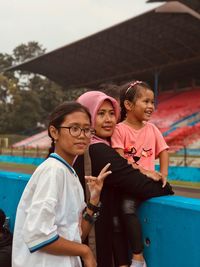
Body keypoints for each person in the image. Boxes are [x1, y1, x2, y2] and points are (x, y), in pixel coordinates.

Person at [74, 91, 173, 267]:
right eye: (100, 113)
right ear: (86, 118)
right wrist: (163, 184)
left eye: (112, 113)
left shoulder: (91, 146)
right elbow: (142, 186)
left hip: (97, 237)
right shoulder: (98, 150)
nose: (109, 119)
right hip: (95, 241)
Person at [12, 101, 111, 267]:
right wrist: (85, 251)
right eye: (74, 128)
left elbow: (76, 236)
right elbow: (39, 235)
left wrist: (93, 202)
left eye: (87, 129)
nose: (82, 135)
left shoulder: (68, 173)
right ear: (54, 132)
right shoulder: (53, 171)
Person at [111, 80, 169, 267]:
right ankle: (138, 256)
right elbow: (121, 159)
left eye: (152, 102)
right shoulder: (119, 130)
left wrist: (163, 173)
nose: (151, 106)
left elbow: (164, 151)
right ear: (128, 105)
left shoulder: (152, 129)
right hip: (132, 182)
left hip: (149, 183)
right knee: (125, 209)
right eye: (145, 101)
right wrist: (143, 170)